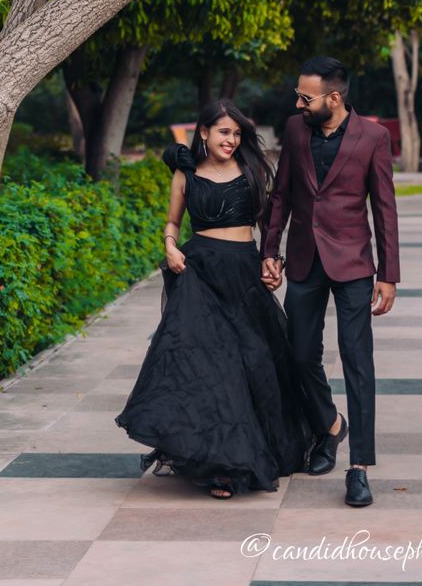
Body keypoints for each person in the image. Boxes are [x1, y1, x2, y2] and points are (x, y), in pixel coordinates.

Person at [116, 99, 313, 498]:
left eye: (237, 133)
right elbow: (173, 221)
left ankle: (261, 447)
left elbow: (268, 228)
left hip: (242, 272)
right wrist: (171, 246)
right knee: (211, 367)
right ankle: (224, 466)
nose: (232, 139)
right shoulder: (185, 174)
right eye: (224, 131)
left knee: (255, 360)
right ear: (203, 132)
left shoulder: (252, 170)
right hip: (199, 272)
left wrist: (271, 262)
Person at [260, 56, 400, 509]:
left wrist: (389, 275)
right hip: (303, 260)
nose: (298, 102)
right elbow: (280, 196)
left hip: (354, 264)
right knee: (300, 354)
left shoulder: (374, 137)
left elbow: (384, 209)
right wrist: (270, 251)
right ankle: (330, 426)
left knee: (358, 361)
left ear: (334, 98)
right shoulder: (296, 129)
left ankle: (358, 467)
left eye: (306, 96)